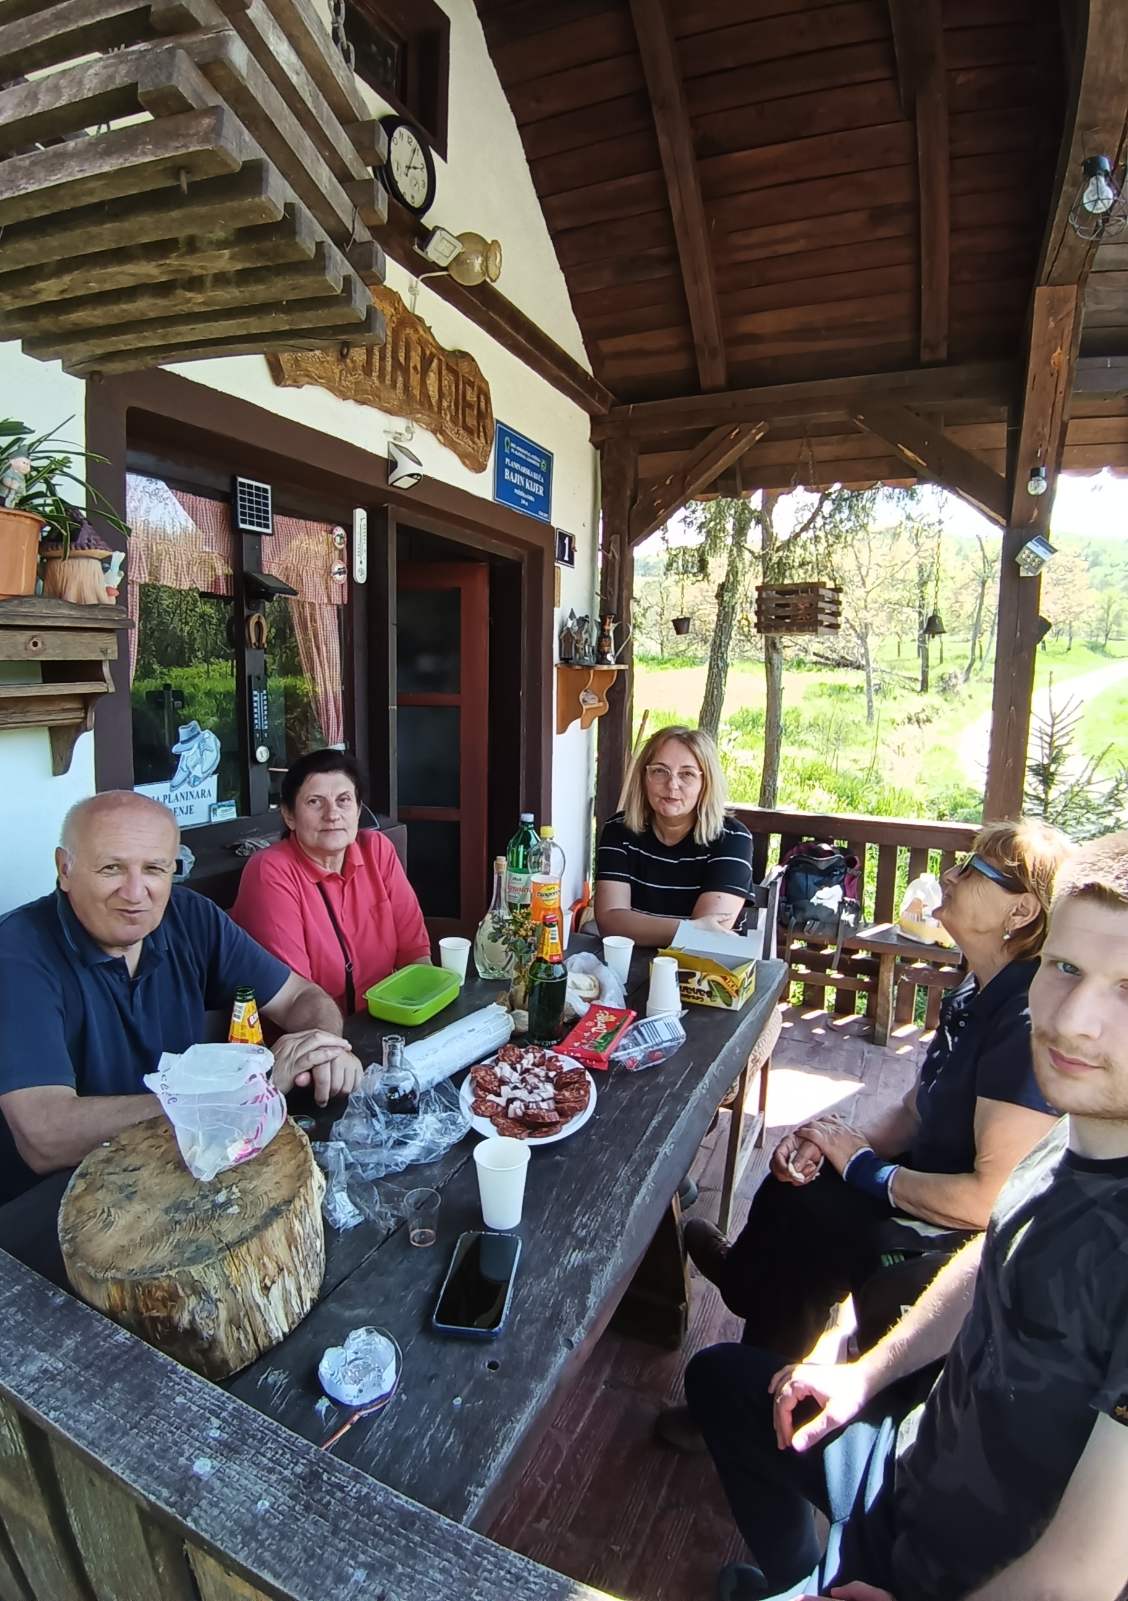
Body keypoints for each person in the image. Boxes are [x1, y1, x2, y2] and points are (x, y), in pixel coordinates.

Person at [685, 828, 1128, 1601]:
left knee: (819, 1222)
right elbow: (994, 1249)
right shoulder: (1072, 1141)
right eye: (1065, 967)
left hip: (952, 1576)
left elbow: (1077, 1580)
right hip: (905, 1466)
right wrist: (865, 1373)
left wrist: (864, 1169)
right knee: (721, 1380)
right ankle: (802, 1572)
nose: (1075, 1019)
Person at [678, 818, 1069, 1371]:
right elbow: (916, 1109)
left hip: (953, 1234)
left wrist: (864, 1167)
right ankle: (748, 1285)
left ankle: (755, 1379)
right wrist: (834, 1139)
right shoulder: (978, 987)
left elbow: (987, 1200)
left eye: (971, 870)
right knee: (795, 1176)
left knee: (813, 1219)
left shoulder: (1024, 1021)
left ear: (1021, 911)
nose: (949, 876)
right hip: (924, 1177)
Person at [0, 791, 363, 1203]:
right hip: (60, 1204)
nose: (134, 892)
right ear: (65, 869)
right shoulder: (17, 953)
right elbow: (46, 1135)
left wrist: (323, 1046)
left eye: (154, 868)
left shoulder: (189, 917)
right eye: (111, 868)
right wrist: (238, 1099)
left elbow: (299, 996)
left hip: (187, 1168)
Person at [231, 750, 430, 1013]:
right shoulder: (271, 871)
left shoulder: (377, 850)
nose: (332, 814)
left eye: (343, 800)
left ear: (358, 811)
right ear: (289, 816)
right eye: (315, 802)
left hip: (387, 1017)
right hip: (312, 1030)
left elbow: (415, 953)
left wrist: (421, 1016)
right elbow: (295, 997)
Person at [595, 724, 754, 947]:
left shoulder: (733, 838)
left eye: (687, 774)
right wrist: (690, 929)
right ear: (644, 776)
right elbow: (609, 923)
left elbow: (709, 938)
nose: (672, 785)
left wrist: (634, 925)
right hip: (631, 962)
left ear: (706, 782)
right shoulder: (618, 830)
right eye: (660, 771)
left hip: (703, 966)